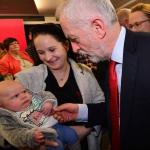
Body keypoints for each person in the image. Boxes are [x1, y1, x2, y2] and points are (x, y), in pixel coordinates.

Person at [53, 0, 150, 150]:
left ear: (98, 27)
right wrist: (81, 111)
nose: (74, 48)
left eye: (74, 39)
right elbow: (120, 110)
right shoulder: (106, 61)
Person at [15, 24, 105, 150]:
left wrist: (85, 129)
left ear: (66, 45)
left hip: (84, 143)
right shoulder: (26, 78)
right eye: (41, 52)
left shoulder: (86, 72)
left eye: (52, 50)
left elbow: (101, 104)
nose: (48, 57)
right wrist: (33, 142)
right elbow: (10, 119)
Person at [0, 80, 79, 150]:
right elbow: (14, 136)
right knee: (58, 147)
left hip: (57, 126)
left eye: (24, 91)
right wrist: (31, 137)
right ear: (2, 106)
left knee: (72, 135)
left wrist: (48, 102)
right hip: (44, 137)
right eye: (16, 96)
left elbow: (46, 94)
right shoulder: (6, 119)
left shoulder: (32, 97)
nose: (24, 96)